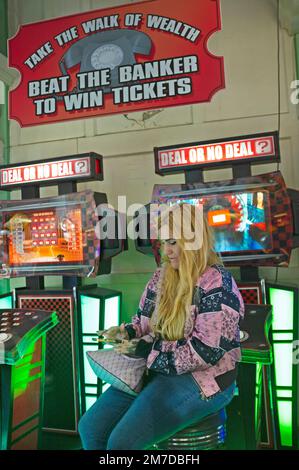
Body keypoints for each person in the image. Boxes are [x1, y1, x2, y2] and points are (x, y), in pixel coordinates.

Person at [78, 204, 244, 450]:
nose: (167, 251)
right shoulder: (160, 276)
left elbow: (205, 352)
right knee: (91, 428)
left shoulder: (218, 283)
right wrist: (127, 332)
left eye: (173, 242)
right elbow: (144, 321)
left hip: (204, 379)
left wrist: (147, 351)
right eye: (164, 242)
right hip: (159, 369)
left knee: (121, 443)